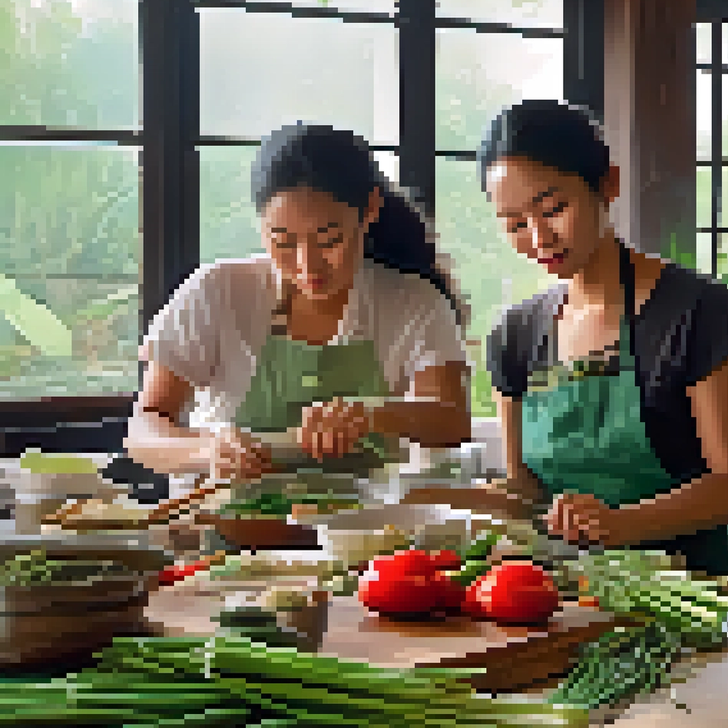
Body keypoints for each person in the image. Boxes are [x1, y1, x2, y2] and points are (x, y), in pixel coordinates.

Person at [480, 100, 728, 578]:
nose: (538, 237)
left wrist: (619, 524)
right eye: (514, 224)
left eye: (553, 209)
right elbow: (525, 486)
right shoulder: (516, 335)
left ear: (607, 184)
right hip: (566, 592)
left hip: (692, 588)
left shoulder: (696, 311)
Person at [127, 123, 472, 485]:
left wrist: (372, 414)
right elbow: (144, 428)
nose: (308, 265)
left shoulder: (414, 301)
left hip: (364, 531)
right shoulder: (216, 292)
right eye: (283, 242)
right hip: (220, 525)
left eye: (329, 240)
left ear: (370, 209)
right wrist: (207, 449)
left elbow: (450, 422)